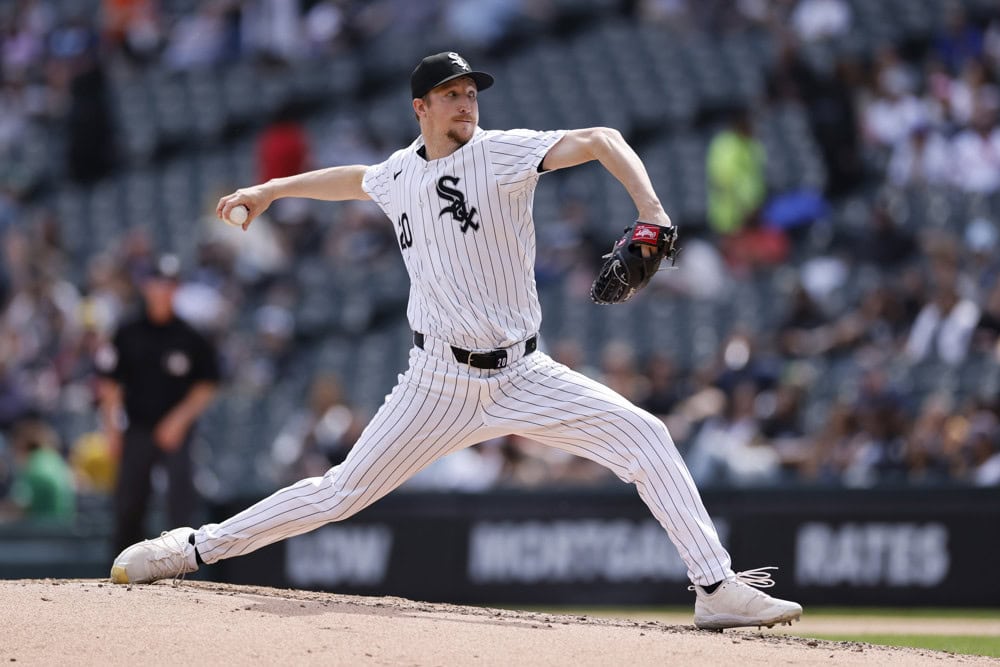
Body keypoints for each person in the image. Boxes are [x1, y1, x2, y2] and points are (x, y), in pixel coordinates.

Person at [110, 51, 801, 630]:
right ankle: (192, 547)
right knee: (339, 491)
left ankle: (714, 589)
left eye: (471, 92)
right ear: (421, 108)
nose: (467, 102)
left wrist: (651, 211)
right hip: (437, 382)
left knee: (646, 435)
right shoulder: (401, 172)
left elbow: (600, 138)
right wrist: (270, 190)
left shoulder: (500, 155)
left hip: (523, 373)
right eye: (452, 94)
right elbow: (354, 179)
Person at [96, 254, 221, 555]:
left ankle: (182, 570)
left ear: (177, 289)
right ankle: (121, 569)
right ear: (145, 287)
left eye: (169, 284)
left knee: (181, 503)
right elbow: (110, 384)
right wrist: (112, 429)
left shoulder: (191, 336)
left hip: (176, 431)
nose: (162, 290)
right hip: (137, 426)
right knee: (128, 504)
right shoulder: (127, 332)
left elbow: (207, 384)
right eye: (156, 283)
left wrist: (179, 420)